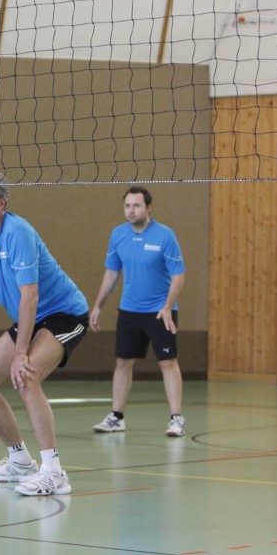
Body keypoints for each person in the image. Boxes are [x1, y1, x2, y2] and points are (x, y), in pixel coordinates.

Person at [0, 172, 89, 496]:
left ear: (1, 203)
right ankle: (20, 460)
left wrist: (21, 353)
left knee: (26, 375)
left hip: (64, 313)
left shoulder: (18, 233)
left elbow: (30, 296)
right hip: (30, 318)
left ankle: (54, 473)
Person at [89, 186, 187, 437]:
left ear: (148, 208)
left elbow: (178, 276)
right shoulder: (118, 235)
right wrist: (98, 305)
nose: (131, 210)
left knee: (167, 362)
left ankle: (176, 418)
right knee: (122, 362)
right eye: (127, 206)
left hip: (160, 311)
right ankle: (117, 417)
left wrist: (168, 307)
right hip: (129, 310)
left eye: (136, 205)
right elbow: (112, 272)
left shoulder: (165, 236)